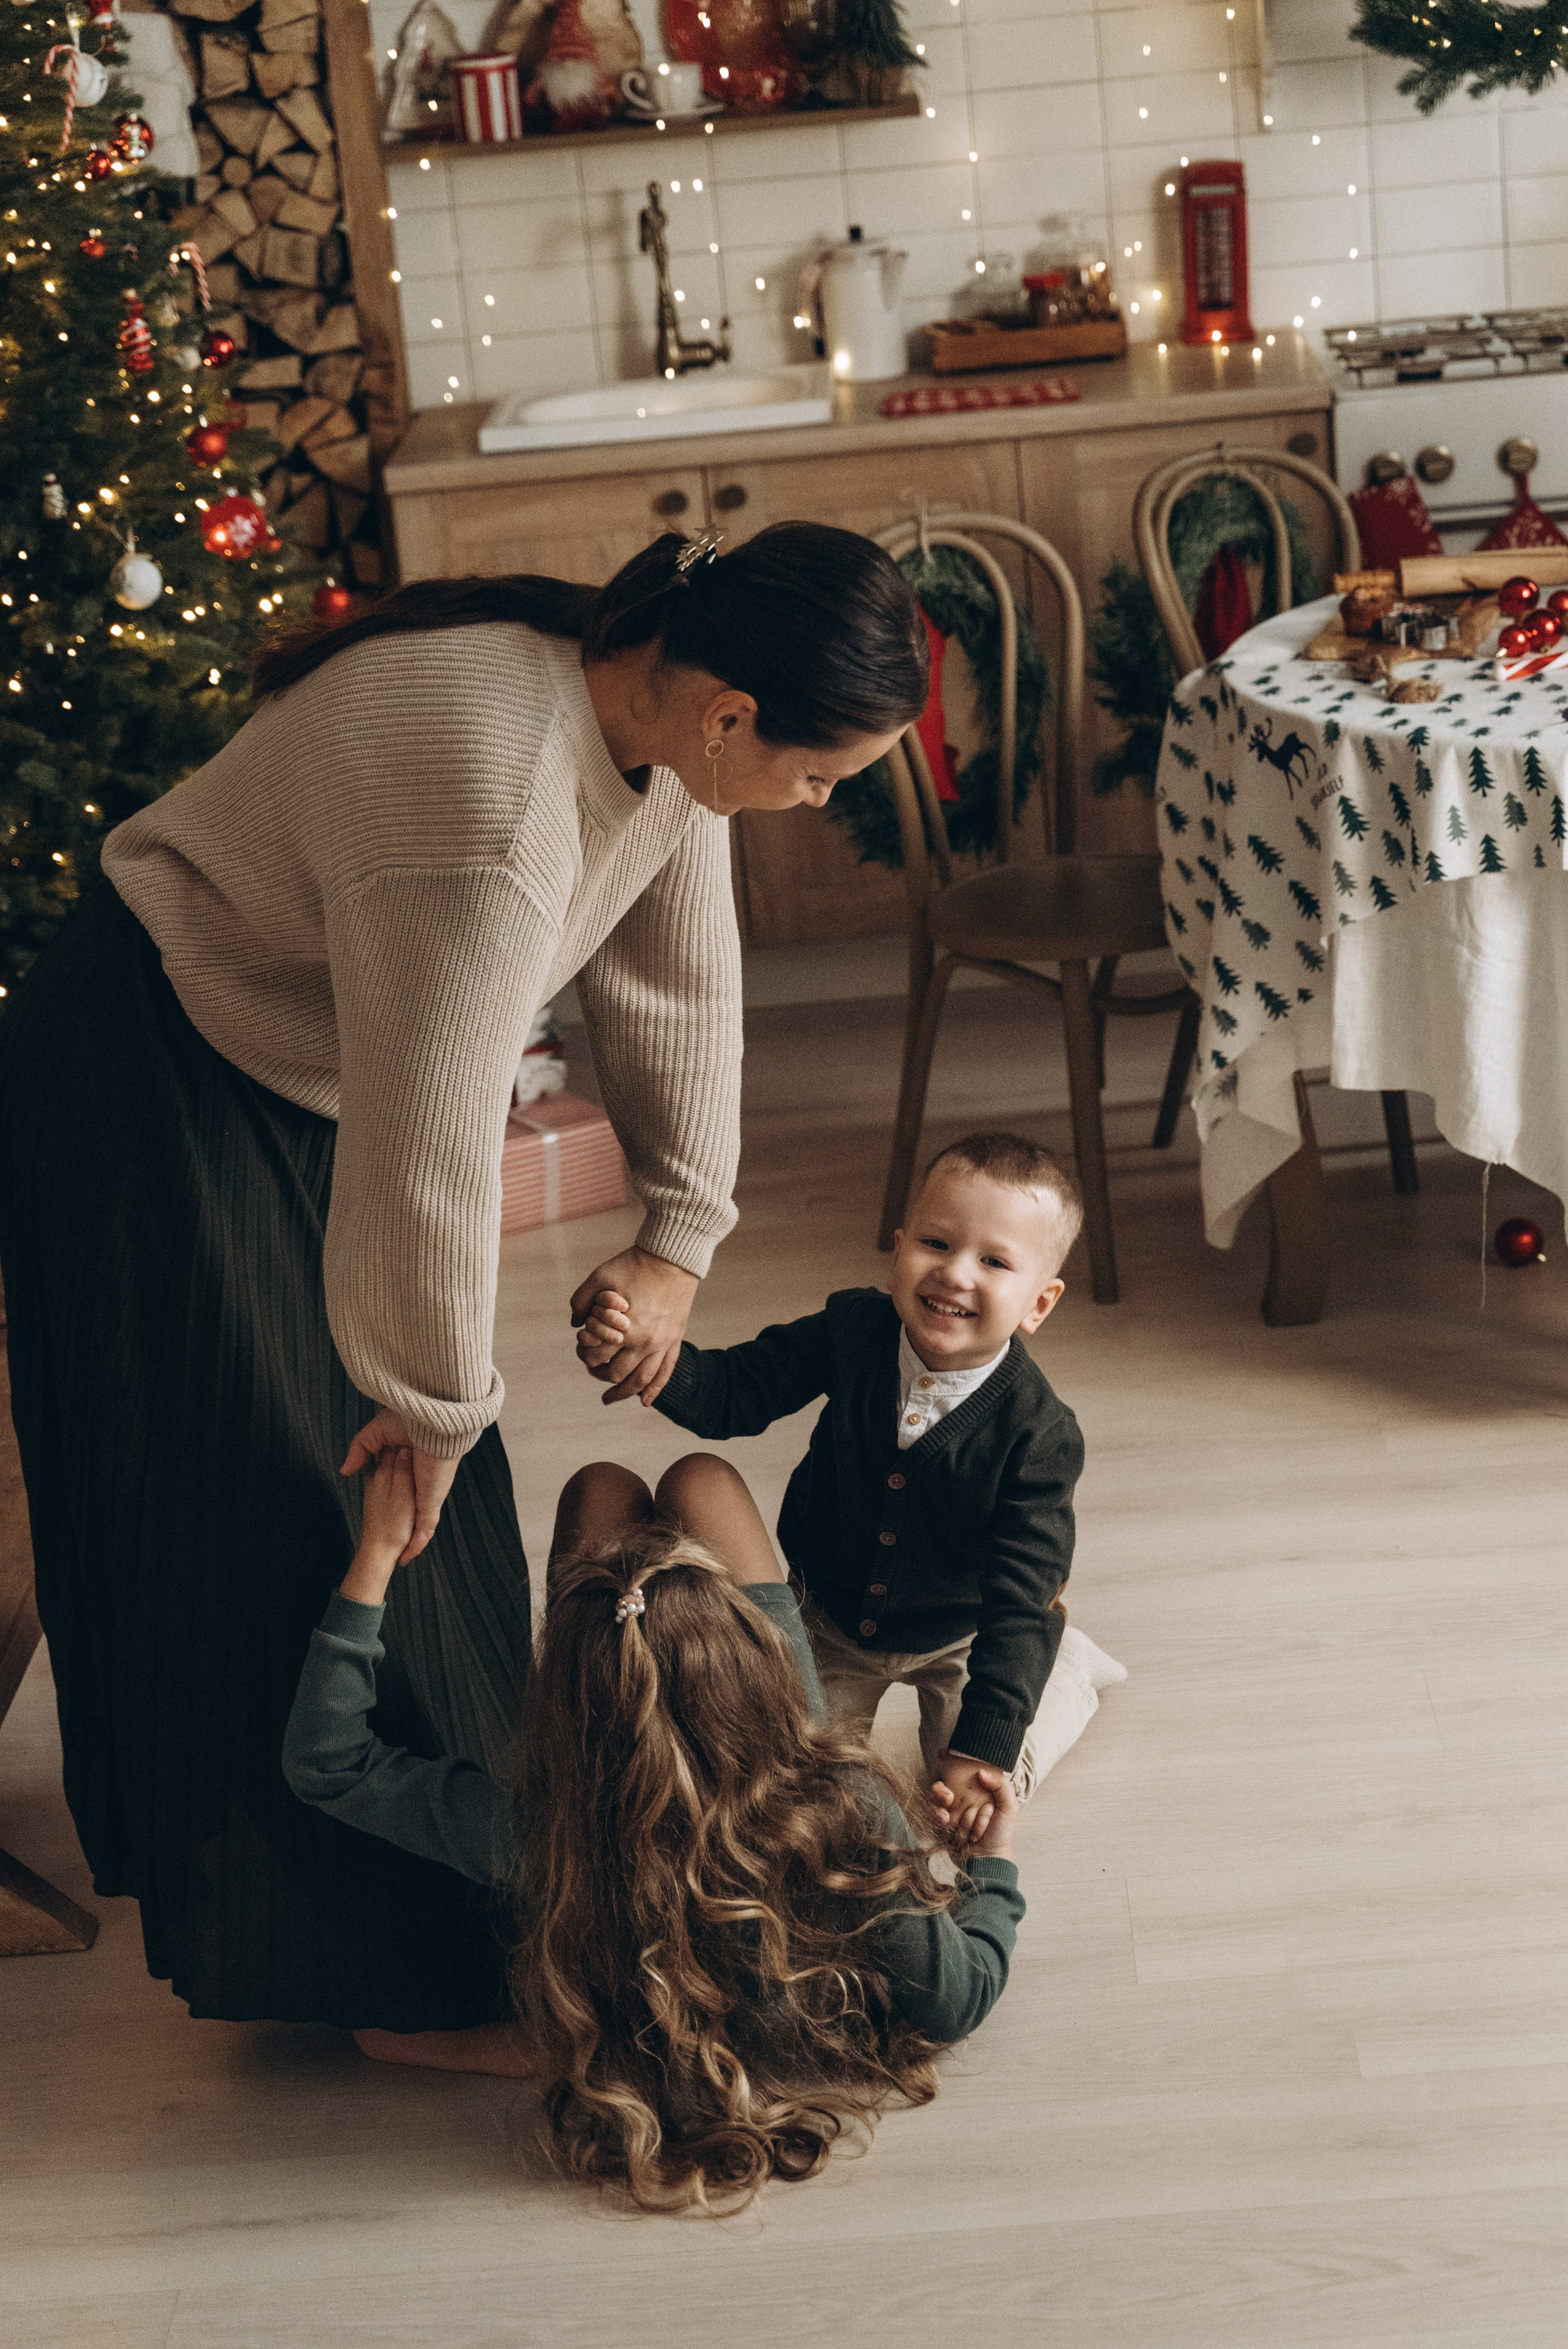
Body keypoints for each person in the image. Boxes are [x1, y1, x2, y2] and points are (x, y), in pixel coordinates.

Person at [0, 524, 926, 2032]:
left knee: (398, 1465)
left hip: (295, 1061)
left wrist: (679, 1230)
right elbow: (430, 1151)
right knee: (299, 1476)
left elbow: (677, 984)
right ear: (731, 715)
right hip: (152, 1055)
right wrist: (430, 1402)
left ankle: (453, 1912)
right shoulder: (492, 814)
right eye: (823, 772)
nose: (822, 802)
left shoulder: (667, 738)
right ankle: (347, 1962)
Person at [282, 1446, 1025, 2210]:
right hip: (778, 1775)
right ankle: (670, 1634)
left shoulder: (540, 1832)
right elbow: (955, 1999)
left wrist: (374, 1554)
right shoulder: (838, 1799)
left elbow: (328, 1761)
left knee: (598, 1486)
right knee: (699, 1480)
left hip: (632, 1822)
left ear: (564, 1699)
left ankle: (623, 1621)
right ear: (751, 1664)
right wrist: (993, 1861)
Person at [581, 1130, 1087, 1844]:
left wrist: (985, 1747)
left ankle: (1065, 1683)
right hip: (831, 1616)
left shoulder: (1040, 1435)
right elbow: (737, 1390)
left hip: (961, 1635)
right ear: (899, 1246)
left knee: (964, 1801)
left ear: (1039, 1302)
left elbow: (1020, 1598)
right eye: (937, 1244)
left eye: (995, 1261)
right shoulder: (854, 1328)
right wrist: (645, 1355)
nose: (955, 1273)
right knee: (794, 1777)